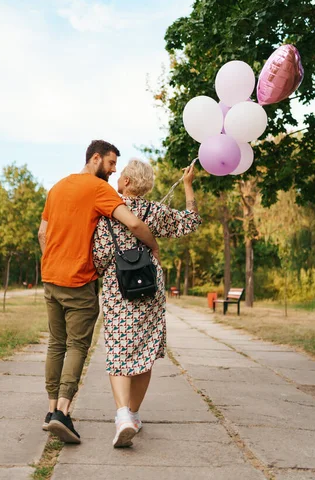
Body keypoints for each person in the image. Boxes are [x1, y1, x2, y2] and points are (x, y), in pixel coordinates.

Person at [38, 141, 160, 444]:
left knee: (56, 343)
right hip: (78, 280)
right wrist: (154, 247)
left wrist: (51, 262)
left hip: (51, 278)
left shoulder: (57, 187)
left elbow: (42, 232)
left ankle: (50, 409)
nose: (115, 169)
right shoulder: (99, 189)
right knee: (78, 346)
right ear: (96, 158)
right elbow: (132, 222)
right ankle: (63, 412)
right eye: (111, 162)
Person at [93, 158, 201, 448]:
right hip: (151, 289)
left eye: (121, 175)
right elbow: (190, 223)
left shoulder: (109, 212)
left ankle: (122, 416)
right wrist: (188, 186)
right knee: (143, 351)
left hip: (119, 289)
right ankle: (135, 414)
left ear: (126, 182)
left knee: (118, 350)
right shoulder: (155, 211)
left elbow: (100, 257)